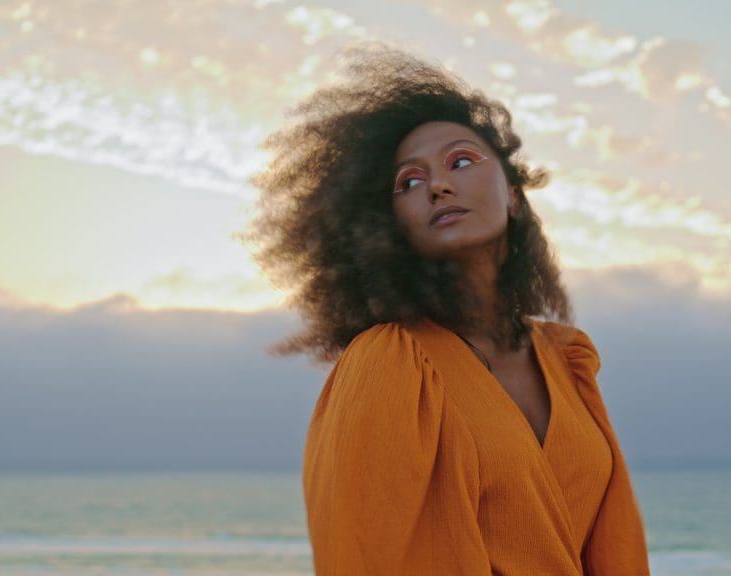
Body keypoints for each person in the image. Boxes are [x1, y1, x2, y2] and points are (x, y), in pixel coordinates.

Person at [249, 43, 650, 575]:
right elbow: (364, 555)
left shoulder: (567, 359)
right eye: (409, 182)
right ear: (386, 226)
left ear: (512, 194)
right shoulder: (389, 362)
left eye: (462, 161)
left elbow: (611, 548)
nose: (438, 185)